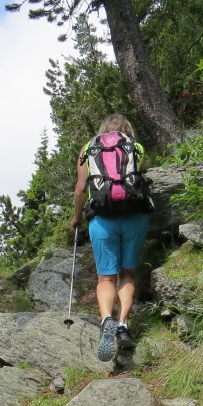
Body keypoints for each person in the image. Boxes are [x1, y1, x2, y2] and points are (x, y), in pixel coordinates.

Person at [71, 113, 153, 362]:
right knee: (127, 273)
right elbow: (141, 179)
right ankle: (122, 325)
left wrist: (76, 217)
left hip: (102, 219)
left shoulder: (88, 149)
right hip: (135, 217)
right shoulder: (135, 146)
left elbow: (81, 188)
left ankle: (106, 317)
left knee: (106, 278)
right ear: (127, 129)